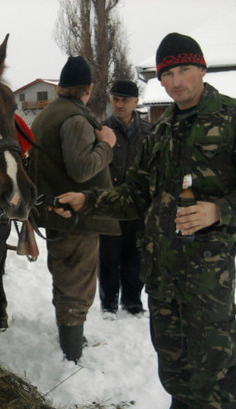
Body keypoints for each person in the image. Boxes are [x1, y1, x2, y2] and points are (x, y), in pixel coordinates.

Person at [54, 33, 236, 409]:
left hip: (208, 279)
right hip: (159, 272)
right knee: (174, 361)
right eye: (166, 74)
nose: (175, 82)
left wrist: (220, 210)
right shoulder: (161, 132)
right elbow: (136, 195)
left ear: (202, 69)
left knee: (216, 368)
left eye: (183, 71)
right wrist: (87, 201)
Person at [28, 56, 117, 363]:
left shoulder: (47, 115)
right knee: (77, 285)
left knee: (66, 279)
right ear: (88, 89)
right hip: (77, 217)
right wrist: (106, 144)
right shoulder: (76, 119)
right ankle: (72, 355)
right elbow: (82, 170)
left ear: (61, 87)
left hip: (57, 213)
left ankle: (71, 341)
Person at [99, 80, 151, 317]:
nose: (120, 105)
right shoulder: (102, 131)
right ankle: (108, 303)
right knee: (109, 257)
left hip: (139, 206)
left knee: (135, 257)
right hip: (111, 205)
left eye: (125, 100)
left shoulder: (149, 132)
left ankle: (132, 301)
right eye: (116, 99)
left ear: (135, 102)